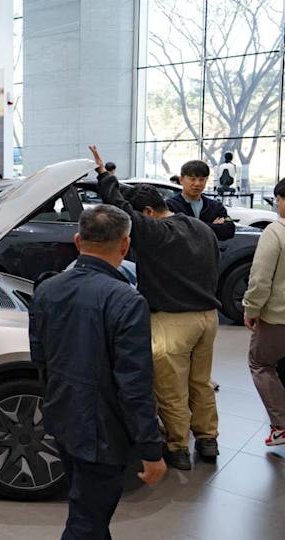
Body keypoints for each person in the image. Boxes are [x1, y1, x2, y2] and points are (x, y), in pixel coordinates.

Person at [30, 204, 166, 539]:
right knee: (87, 521)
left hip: (62, 417)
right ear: (125, 245)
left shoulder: (47, 289)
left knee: (86, 508)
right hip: (104, 432)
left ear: (78, 241)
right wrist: (151, 449)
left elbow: (40, 359)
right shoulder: (127, 300)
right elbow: (135, 384)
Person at [90, 145, 221, 470]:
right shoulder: (201, 228)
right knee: (201, 382)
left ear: (148, 212)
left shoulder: (156, 232)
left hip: (172, 322)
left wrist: (105, 177)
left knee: (171, 389)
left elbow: (120, 209)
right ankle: (208, 440)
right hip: (208, 318)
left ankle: (178, 448)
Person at [242, 178, 285, 446]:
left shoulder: (276, 231)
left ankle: (281, 425)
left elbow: (260, 278)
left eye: (278, 199)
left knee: (260, 363)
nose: (277, 204)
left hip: (278, 317)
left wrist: (251, 308)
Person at [165, 160, 235, 241]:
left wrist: (189, 227)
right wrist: (212, 226)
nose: (197, 184)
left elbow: (229, 230)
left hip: (209, 248)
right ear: (181, 180)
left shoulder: (216, 206)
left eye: (201, 180)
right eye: (192, 179)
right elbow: (173, 232)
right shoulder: (169, 206)